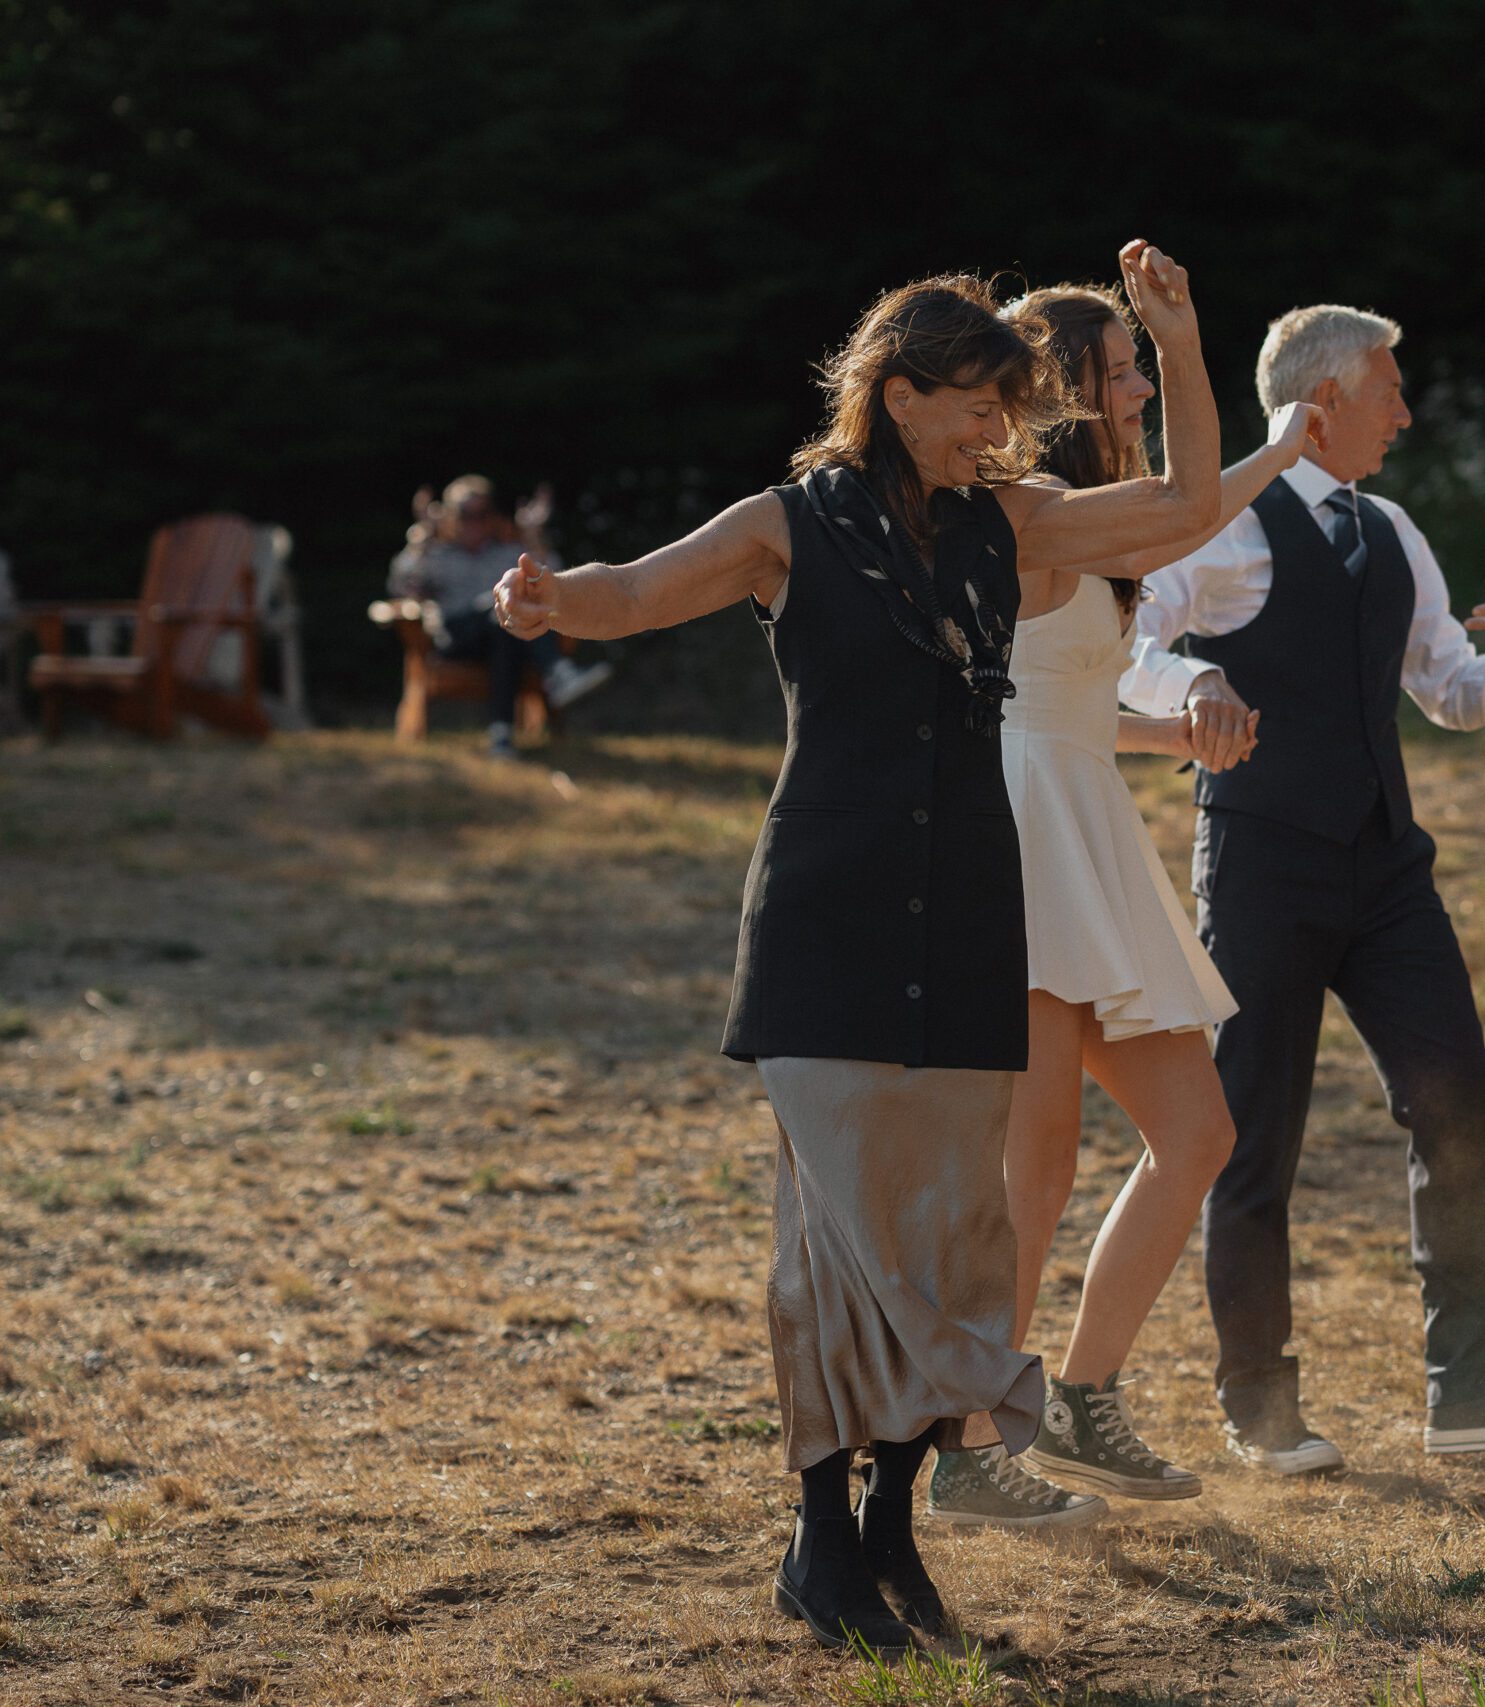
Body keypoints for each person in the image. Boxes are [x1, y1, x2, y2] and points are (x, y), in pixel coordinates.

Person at [491, 243, 1227, 1653]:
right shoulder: (787, 524)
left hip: (967, 904)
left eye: (1012, 413)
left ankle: (892, 1545)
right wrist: (549, 600)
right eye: (976, 407)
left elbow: (1188, 505)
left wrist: (1180, 345)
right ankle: (823, 1539)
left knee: (955, 1234)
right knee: (839, 1246)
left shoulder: (1008, 525)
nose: (1000, 434)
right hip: (828, 913)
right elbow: (637, 590)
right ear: (898, 395)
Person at [1124, 304, 1485, 1474]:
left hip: (1386, 868)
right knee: (1252, 1133)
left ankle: (1471, 1394)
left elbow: (1447, 689)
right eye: (1388, 388)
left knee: (1457, 1100)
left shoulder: (1391, 529)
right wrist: (1194, 680)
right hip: (1262, 859)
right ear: (1320, 402)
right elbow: (1127, 651)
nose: (1405, 410)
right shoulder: (1215, 524)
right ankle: (1258, 1403)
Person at [919, 283, 1322, 1527]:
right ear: (1066, 388)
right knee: (1030, 1172)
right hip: (1021, 837)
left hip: (1081, 809)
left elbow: (1079, 708)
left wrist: (1177, 732)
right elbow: (1183, 515)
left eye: (1145, 371)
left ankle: (1085, 1399)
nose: (1140, 392)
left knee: (1196, 1133)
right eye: (1124, 371)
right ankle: (966, 1444)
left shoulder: (1078, 534)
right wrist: (1257, 425)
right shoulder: (1028, 518)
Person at [387, 475, 610, 755]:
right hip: (456, 639)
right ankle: (558, 672)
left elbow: (554, 581)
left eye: (482, 514)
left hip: (503, 635)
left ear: (492, 516)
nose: (475, 523)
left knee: (504, 628)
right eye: (466, 515)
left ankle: (501, 736)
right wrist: (420, 535)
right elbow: (399, 585)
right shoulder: (436, 554)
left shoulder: (507, 552)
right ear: (450, 517)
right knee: (504, 616)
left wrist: (532, 534)